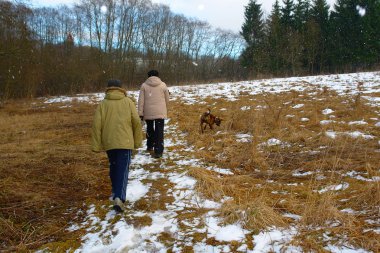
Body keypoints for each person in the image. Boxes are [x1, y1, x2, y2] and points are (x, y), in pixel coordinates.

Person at [91, 79, 142, 213]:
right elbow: (136, 121)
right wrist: (137, 142)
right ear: (121, 89)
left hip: (109, 142)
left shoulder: (103, 104)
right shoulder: (128, 102)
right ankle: (119, 197)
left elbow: (96, 125)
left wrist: (96, 145)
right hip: (125, 142)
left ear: (108, 89)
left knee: (114, 166)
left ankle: (115, 191)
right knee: (123, 169)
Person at [138, 70, 169, 158]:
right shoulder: (163, 85)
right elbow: (167, 99)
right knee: (159, 131)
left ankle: (150, 145)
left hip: (148, 112)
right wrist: (165, 108)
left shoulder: (144, 85)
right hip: (160, 111)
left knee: (150, 129)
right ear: (158, 75)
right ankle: (158, 151)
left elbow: (141, 101)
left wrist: (140, 113)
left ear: (148, 76)